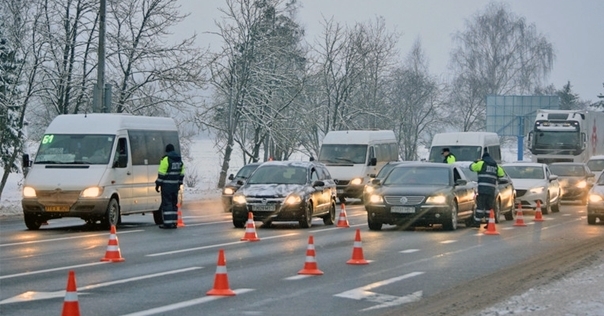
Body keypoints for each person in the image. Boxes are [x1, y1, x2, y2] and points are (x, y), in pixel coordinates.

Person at [469, 151, 505, 228]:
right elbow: (501, 174)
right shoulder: (495, 165)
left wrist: (475, 162)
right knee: (489, 207)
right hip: (491, 190)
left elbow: (471, 167)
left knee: (480, 207)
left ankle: (477, 223)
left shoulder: (481, 163)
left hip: (482, 189)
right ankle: (489, 223)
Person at [155, 144, 185, 229]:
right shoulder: (179, 160)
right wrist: (179, 183)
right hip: (175, 186)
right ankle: (174, 222)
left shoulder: (166, 159)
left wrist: (158, 184)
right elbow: (182, 173)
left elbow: (161, 173)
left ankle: (168, 223)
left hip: (167, 186)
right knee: (173, 204)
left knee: (167, 204)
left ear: (167, 151)